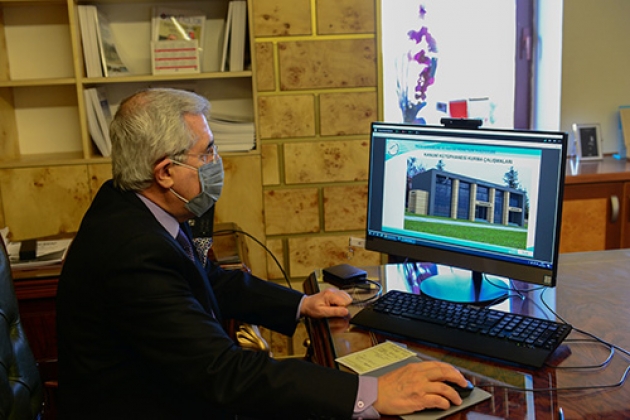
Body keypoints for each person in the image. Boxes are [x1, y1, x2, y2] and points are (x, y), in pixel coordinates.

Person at [56, 88, 469, 419]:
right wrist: (373, 392)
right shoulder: (133, 254)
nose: (217, 163)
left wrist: (301, 304)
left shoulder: (131, 204)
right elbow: (225, 373)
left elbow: (208, 280)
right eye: (207, 152)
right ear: (165, 172)